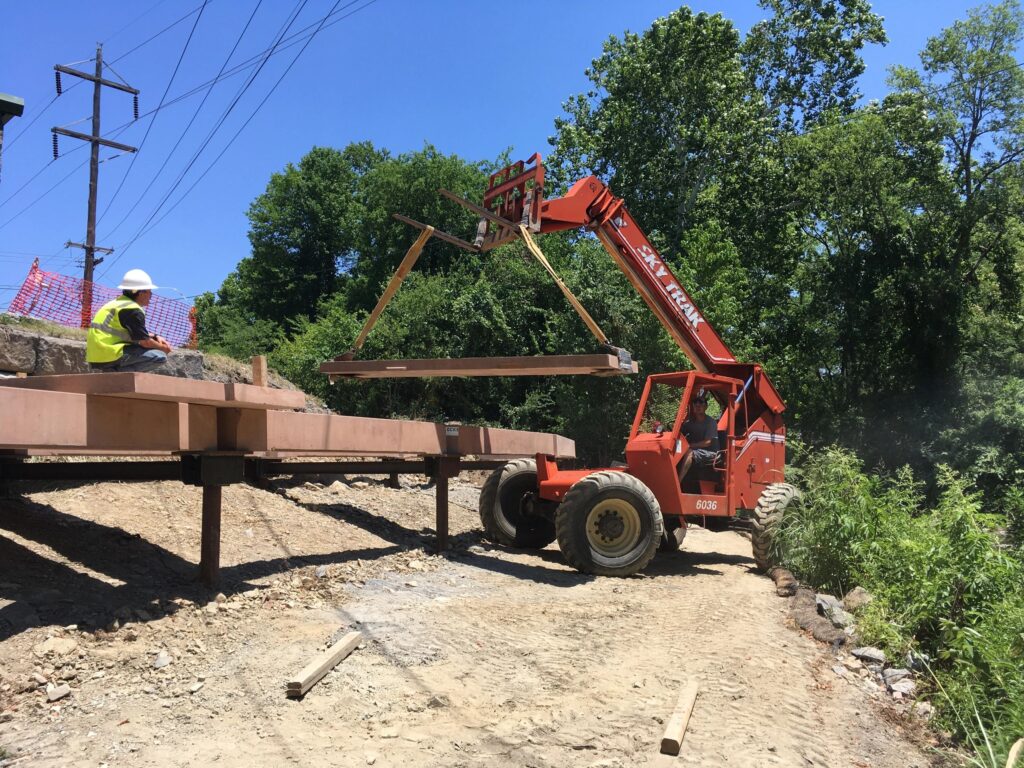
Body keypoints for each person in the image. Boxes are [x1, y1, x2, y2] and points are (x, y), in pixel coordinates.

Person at [86, 269, 173, 373]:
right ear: (141, 292)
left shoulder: (116, 304)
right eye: (150, 292)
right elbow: (145, 343)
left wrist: (155, 336)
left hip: (96, 356)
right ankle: (117, 375)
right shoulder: (132, 309)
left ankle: (112, 371)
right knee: (159, 357)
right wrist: (164, 348)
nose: (151, 296)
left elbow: (125, 332)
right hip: (110, 354)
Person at [678, 393, 720, 489]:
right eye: (696, 405)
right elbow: (680, 433)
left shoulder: (711, 422)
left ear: (706, 407)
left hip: (711, 452)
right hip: (697, 450)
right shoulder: (690, 423)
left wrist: (690, 446)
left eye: (701, 405)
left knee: (689, 453)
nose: (698, 407)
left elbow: (707, 442)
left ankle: (678, 483)